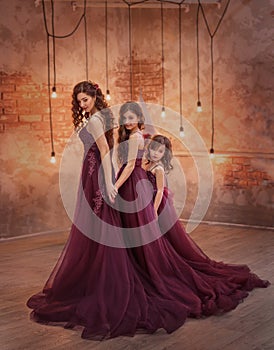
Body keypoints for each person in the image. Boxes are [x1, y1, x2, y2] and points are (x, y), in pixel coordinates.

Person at [26, 82, 165, 340]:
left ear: (94, 97)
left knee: (101, 222)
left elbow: (103, 150)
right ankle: (96, 277)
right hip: (93, 172)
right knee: (95, 225)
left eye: (85, 100)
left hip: (97, 174)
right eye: (79, 101)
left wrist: (109, 182)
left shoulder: (95, 121)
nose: (82, 104)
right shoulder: (96, 117)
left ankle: (108, 282)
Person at [115, 105, 270, 326]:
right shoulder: (143, 155)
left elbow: (156, 189)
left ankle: (152, 272)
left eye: (132, 117)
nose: (127, 121)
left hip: (148, 202)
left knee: (152, 242)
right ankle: (136, 269)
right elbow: (138, 167)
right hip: (139, 194)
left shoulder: (153, 162)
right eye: (125, 117)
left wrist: (153, 212)